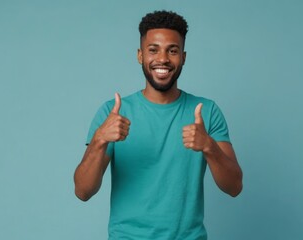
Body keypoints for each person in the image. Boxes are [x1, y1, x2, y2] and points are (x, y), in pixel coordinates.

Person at [74, 10, 243, 240]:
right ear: (140, 55)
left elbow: (234, 187)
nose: (162, 59)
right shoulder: (112, 113)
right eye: (153, 50)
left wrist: (209, 147)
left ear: (183, 57)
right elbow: (83, 191)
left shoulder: (206, 112)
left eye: (172, 51)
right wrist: (99, 140)